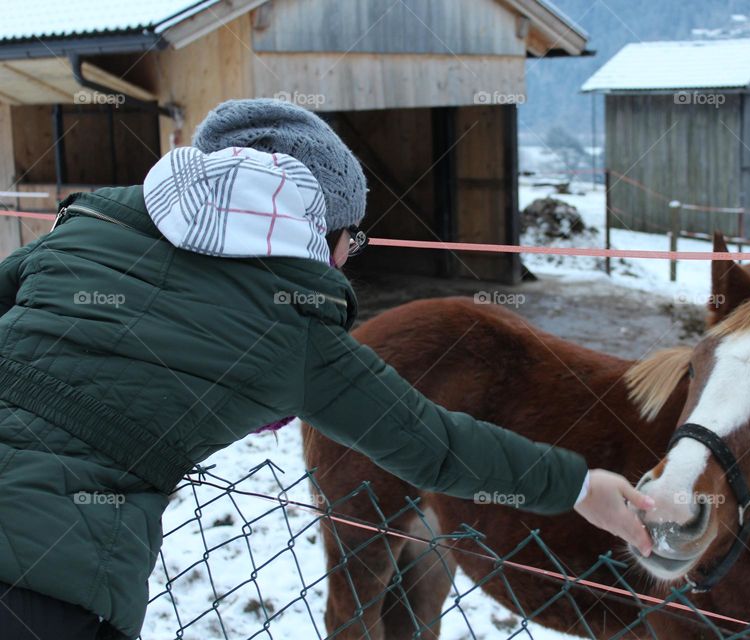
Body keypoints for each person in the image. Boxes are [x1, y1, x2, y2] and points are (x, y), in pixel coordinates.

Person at [0, 99, 654, 640]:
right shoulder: (292, 330)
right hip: (55, 589)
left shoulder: (84, 229)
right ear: (322, 231)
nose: (349, 257)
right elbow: (437, 445)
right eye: (353, 240)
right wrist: (575, 484)